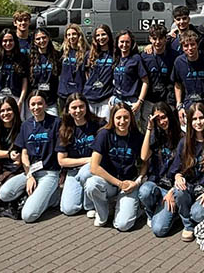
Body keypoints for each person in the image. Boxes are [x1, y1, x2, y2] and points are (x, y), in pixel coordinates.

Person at [0, 91, 62, 223]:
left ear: (45, 105)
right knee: (4, 193)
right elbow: (24, 154)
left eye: (40, 103)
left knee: (28, 216)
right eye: (33, 104)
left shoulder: (56, 123)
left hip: (49, 173)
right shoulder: (26, 125)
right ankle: (42, 195)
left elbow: (61, 151)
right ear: (28, 106)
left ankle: (53, 197)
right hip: (32, 171)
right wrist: (29, 176)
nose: (36, 107)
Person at [85, 102, 146, 230]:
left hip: (129, 185)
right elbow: (94, 167)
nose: (122, 121)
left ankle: (137, 209)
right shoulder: (104, 134)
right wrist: (119, 183)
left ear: (131, 118)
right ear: (112, 118)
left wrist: (137, 181)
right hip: (109, 181)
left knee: (123, 225)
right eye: (118, 118)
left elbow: (145, 162)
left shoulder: (138, 137)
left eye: (126, 117)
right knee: (91, 184)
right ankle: (103, 214)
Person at [171, 103, 204, 241]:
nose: (198, 122)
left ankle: (197, 216)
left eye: (201, 118)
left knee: (197, 214)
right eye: (194, 119)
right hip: (190, 188)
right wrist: (177, 177)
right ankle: (187, 225)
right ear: (189, 121)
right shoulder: (184, 143)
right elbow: (177, 169)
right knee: (178, 191)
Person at [138, 102, 183, 237]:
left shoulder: (182, 138)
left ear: (170, 115)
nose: (161, 122)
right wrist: (149, 129)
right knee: (145, 191)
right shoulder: (156, 136)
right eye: (158, 120)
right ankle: (151, 210)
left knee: (159, 230)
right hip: (156, 186)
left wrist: (172, 191)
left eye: (163, 117)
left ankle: (174, 214)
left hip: (171, 189)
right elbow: (144, 156)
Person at [57, 93, 103, 216]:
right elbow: (62, 160)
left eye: (81, 106)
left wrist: (91, 162)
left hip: (93, 169)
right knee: (69, 209)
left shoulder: (98, 124)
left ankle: (90, 204)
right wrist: (86, 160)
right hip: (73, 171)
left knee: (85, 173)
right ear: (68, 110)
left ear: (86, 107)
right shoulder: (64, 129)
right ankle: (83, 197)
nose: (78, 111)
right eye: (74, 108)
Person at [172, 30, 204, 133]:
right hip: (189, 105)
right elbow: (177, 84)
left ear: (197, 44)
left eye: (192, 44)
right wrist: (179, 106)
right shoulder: (179, 62)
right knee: (188, 139)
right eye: (186, 46)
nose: (190, 48)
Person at [0, 28, 28, 115]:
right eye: (5, 41)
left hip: (16, 97)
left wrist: (20, 101)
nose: (8, 43)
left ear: (15, 41)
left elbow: (24, 81)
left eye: (10, 40)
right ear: (1, 42)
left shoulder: (22, 59)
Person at [141, 24, 178, 117]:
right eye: (154, 38)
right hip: (149, 101)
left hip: (168, 100)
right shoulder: (144, 56)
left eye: (161, 38)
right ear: (150, 39)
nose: (157, 42)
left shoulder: (174, 56)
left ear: (166, 38)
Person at [111, 30, 149, 119]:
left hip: (131, 102)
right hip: (116, 100)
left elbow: (145, 81)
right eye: (122, 42)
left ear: (131, 43)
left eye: (127, 42)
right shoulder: (116, 59)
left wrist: (139, 102)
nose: (124, 45)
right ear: (117, 43)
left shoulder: (136, 59)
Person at [83, 24, 115, 119]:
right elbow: (86, 73)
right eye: (98, 35)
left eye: (103, 34)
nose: (100, 38)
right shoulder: (89, 54)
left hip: (106, 98)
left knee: (104, 127)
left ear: (109, 35)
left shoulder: (115, 54)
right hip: (89, 97)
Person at [28, 27, 61, 117]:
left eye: (44, 37)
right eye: (38, 39)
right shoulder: (29, 57)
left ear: (48, 38)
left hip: (50, 101)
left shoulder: (57, 56)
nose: (41, 40)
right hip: (34, 101)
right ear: (34, 41)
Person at [58, 23, 87, 105]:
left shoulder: (86, 53)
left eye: (74, 34)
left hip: (79, 94)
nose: (71, 37)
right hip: (64, 93)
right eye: (68, 35)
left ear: (79, 35)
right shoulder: (63, 52)